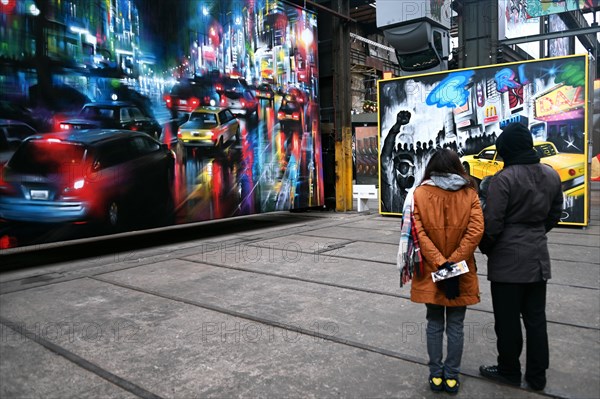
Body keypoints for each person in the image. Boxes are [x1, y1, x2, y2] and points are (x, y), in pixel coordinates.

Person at [478, 123, 563, 391]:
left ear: (507, 149)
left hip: (507, 261)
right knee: (536, 320)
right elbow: (554, 214)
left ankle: (509, 371)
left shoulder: (504, 179)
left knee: (507, 320)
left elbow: (491, 224)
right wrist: (536, 233)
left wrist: (490, 248)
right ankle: (537, 377)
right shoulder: (550, 175)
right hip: (538, 258)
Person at [407, 149, 484, 394]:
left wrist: (441, 263)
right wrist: (454, 262)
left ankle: (435, 374)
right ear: (457, 166)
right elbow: (476, 231)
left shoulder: (419, 193)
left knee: (433, 323)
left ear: (431, 167)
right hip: (461, 271)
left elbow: (418, 233)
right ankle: (451, 376)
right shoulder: (470, 192)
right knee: (456, 326)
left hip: (431, 270)